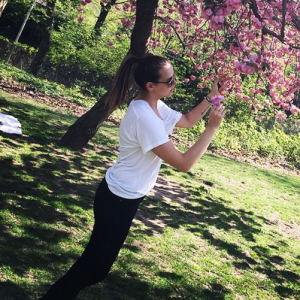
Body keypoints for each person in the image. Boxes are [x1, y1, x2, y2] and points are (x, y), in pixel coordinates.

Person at [38, 55, 227, 300]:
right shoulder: (144, 117)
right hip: (117, 200)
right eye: (170, 81)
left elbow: (188, 121)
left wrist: (213, 95)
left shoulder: (155, 106)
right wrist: (211, 128)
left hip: (124, 197)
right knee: (93, 268)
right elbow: (183, 163)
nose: (175, 84)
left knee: (95, 267)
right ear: (151, 85)